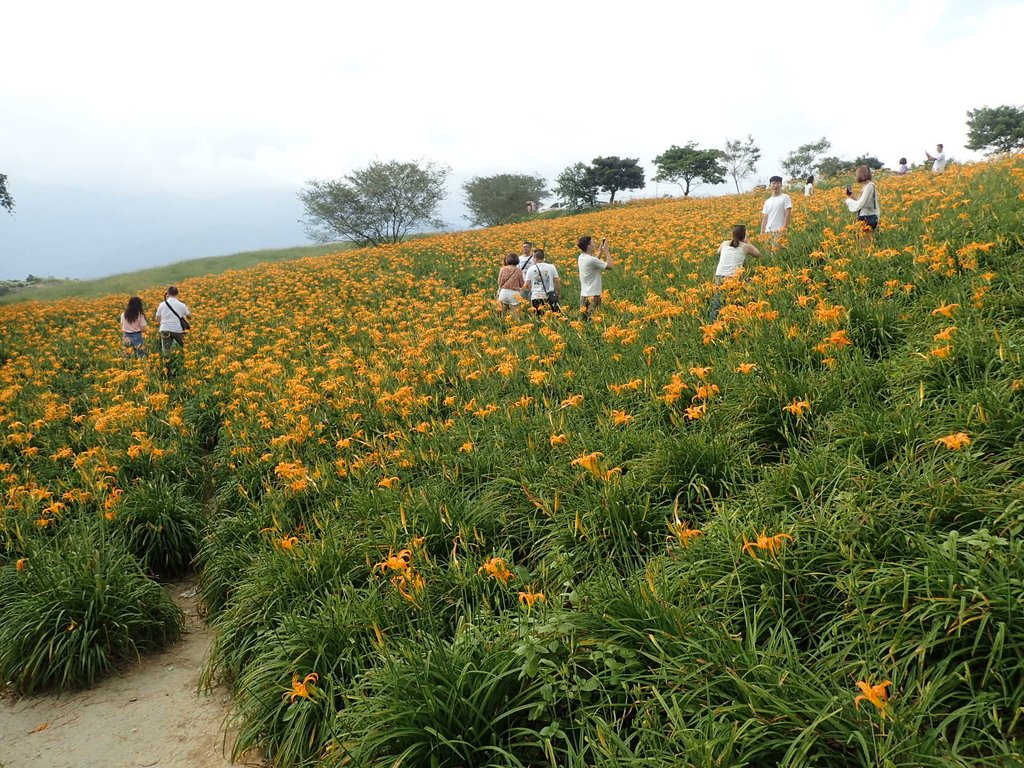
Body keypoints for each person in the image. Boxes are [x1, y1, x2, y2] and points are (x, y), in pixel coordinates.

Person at [709, 224, 761, 322]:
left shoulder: (724, 243)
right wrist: (748, 241)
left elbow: (718, 252)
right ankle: (741, 319)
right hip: (734, 277)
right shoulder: (745, 247)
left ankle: (713, 322)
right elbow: (758, 254)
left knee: (718, 301)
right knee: (740, 299)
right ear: (744, 235)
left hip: (720, 274)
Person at [155, 285, 191, 378]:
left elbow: (157, 318)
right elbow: (189, 316)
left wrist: (165, 320)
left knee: (166, 352)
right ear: (177, 293)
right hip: (177, 330)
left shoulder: (162, 304)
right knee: (186, 348)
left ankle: (168, 372)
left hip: (165, 329)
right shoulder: (181, 305)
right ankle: (187, 366)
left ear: (168, 293)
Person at [577, 235, 613, 320]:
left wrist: (600, 252)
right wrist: (606, 251)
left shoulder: (581, 257)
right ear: (588, 246)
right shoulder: (591, 260)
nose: (595, 243)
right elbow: (610, 266)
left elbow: (593, 262)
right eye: (592, 242)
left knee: (582, 320)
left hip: (584, 294)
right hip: (594, 295)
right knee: (593, 320)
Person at [523, 248, 561, 315]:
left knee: (538, 317)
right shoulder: (551, 267)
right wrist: (558, 292)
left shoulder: (531, 269)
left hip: (536, 297)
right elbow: (557, 281)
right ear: (543, 257)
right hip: (549, 296)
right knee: (551, 316)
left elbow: (527, 285)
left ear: (534, 258)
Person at [845, 165, 880, 231]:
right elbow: (861, 202)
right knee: (866, 239)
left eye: (857, 175)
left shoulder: (869, 186)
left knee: (866, 240)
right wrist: (851, 196)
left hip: (867, 217)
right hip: (867, 216)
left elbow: (861, 204)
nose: (856, 177)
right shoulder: (866, 186)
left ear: (862, 176)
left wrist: (848, 201)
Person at [496, 253, 526, 319]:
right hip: (514, 294)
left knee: (502, 316)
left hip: (504, 292)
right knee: (516, 317)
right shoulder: (519, 271)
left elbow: (499, 282)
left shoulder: (503, 269)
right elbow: (522, 284)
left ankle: (502, 328)